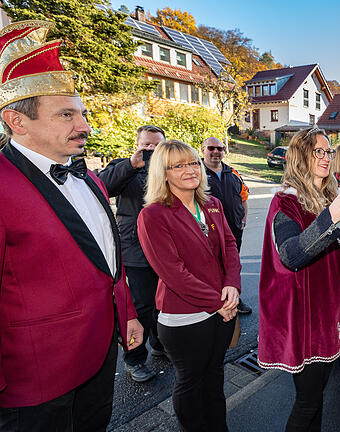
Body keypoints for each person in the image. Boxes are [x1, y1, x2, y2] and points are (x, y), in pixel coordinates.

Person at [0, 20, 142, 431]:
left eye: (82, 113)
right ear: (17, 120)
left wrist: (127, 314)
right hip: (34, 384)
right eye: (66, 115)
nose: (84, 126)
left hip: (99, 359)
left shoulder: (89, 177)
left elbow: (105, 260)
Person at [257, 127, 340, 432]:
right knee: (308, 402)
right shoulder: (285, 202)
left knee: (315, 398)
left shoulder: (328, 198)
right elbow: (291, 255)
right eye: (319, 151)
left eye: (329, 151)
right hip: (305, 315)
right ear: (302, 156)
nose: (327, 157)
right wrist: (332, 217)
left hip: (327, 311)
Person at [137, 140, 241, 432]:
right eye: (178, 165)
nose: (190, 170)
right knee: (191, 381)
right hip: (185, 317)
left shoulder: (213, 204)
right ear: (163, 173)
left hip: (222, 310)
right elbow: (174, 273)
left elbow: (230, 246)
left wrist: (232, 286)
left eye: (193, 162)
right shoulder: (153, 215)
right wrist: (218, 303)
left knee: (215, 379)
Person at [99, 124, 167, 383]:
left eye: (156, 145)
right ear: (137, 144)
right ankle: (135, 358)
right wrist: (131, 164)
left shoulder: (167, 169)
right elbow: (103, 186)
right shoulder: (124, 166)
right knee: (140, 306)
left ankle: (160, 344)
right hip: (135, 250)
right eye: (146, 144)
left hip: (164, 249)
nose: (151, 150)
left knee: (163, 303)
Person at [201, 137, 253, 315]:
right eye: (211, 148)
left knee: (232, 265)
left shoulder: (234, 173)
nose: (215, 152)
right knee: (211, 268)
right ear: (203, 150)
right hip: (208, 233)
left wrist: (243, 220)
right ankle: (214, 302)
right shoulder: (195, 172)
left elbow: (243, 199)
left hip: (234, 230)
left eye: (219, 148)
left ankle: (234, 300)